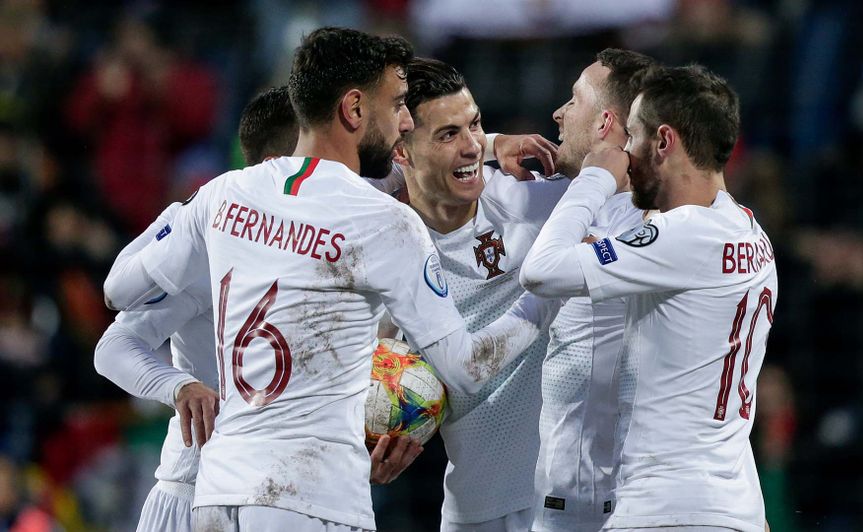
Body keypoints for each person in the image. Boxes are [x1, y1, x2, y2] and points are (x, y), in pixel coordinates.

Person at [104, 27, 558, 532]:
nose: (405, 121)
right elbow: (467, 368)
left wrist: (177, 221)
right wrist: (546, 294)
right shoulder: (381, 221)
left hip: (218, 489)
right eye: (399, 104)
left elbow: (118, 291)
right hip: (309, 497)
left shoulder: (223, 195)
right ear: (355, 109)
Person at [94, 84, 422, 532]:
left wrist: (357, 449)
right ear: (277, 165)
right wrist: (178, 387)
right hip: (195, 492)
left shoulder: (345, 237)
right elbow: (114, 342)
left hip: (293, 493)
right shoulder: (216, 242)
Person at [521, 64, 777, 532]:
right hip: (734, 505)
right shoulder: (749, 230)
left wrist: (594, 179)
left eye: (631, 137)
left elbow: (540, 271)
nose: (624, 154)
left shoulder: (681, 235)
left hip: (666, 509)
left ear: (663, 141)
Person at [395, 57, 567, 532]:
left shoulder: (532, 199)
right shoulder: (384, 247)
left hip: (575, 499)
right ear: (401, 152)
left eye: (475, 126)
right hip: (478, 512)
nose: (471, 147)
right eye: (448, 135)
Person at [531, 49, 653, 532]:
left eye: (574, 100)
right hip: (553, 496)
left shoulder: (650, 229)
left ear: (606, 123)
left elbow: (541, 271)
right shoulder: (567, 204)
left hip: (600, 505)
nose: (559, 113)